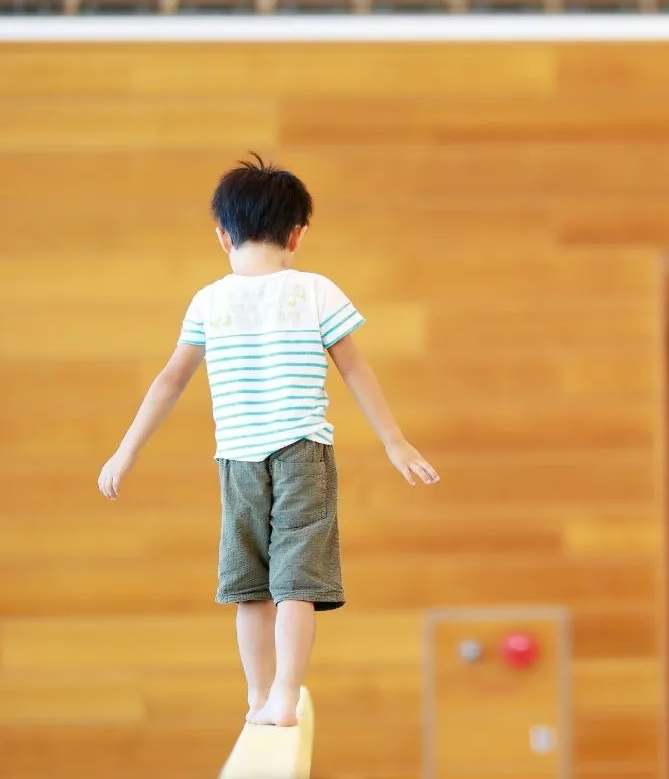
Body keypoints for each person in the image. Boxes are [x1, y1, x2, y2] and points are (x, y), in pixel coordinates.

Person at [96, 153, 439, 727]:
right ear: (297, 235)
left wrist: (124, 451)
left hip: (237, 459)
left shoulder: (208, 301)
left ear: (222, 234)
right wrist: (394, 442)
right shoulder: (314, 291)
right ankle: (283, 693)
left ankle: (257, 694)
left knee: (249, 586)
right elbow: (355, 369)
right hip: (302, 451)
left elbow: (170, 380)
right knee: (296, 584)